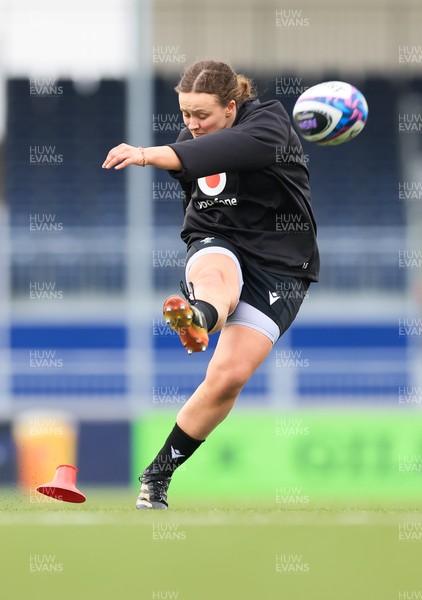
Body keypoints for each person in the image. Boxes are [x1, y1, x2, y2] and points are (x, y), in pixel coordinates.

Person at [102, 60, 320, 510]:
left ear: (232, 106)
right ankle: (199, 317)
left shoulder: (270, 123)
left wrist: (145, 153)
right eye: (184, 114)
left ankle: (157, 475)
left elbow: (224, 152)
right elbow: (194, 173)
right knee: (217, 275)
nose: (192, 125)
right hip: (218, 240)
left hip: (281, 263)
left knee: (227, 379)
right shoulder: (190, 140)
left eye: (202, 115)